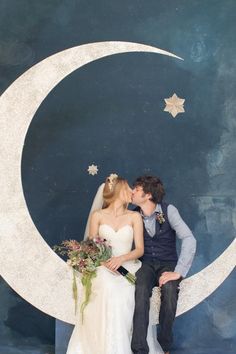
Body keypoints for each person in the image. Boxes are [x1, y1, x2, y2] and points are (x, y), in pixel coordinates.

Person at [66, 174, 164, 354]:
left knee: (127, 292)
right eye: (128, 188)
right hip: (104, 266)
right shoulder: (98, 216)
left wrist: (121, 259)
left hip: (128, 265)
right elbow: (92, 247)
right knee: (106, 285)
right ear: (119, 192)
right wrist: (106, 262)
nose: (132, 191)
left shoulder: (134, 216)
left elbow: (140, 250)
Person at [131, 175, 197, 354]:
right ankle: (139, 349)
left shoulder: (169, 210)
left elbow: (189, 239)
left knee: (169, 292)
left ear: (148, 194)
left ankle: (164, 346)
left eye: (136, 189)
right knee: (141, 289)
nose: (132, 192)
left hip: (168, 263)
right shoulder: (133, 214)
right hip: (145, 264)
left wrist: (179, 272)